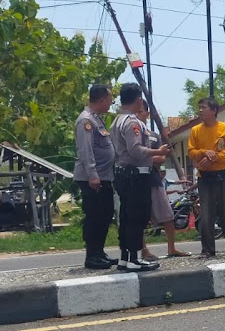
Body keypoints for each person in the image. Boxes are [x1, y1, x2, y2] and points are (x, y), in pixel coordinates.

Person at [110, 83, 169, 271]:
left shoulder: (117, 120)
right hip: (135, 176)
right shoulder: (132, 122)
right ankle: (134, 258)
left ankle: (125, 257)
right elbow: (135, 150)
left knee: (127, 217)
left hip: (123, 174)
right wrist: (157, 151)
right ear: (138, 100)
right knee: (137, 217)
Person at [132, 98, 191, 260]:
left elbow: (162, 158)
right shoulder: (132, 133)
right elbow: (135, 157)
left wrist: (151, 159)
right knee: (140, 217)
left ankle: (171, 248)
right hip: (136, 179)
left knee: (167, 214)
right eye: (135, 112)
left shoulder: (153, 136)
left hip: (153, 178)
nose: (137, 115)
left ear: (147, 114)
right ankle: (144, 250)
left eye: (140, 111)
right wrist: (153, 158)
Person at [188, 97, 225, 257]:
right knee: (206, 214)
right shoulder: (195, 130)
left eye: (203, 107)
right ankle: (207, 250)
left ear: (213, 111)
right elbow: (191, 151)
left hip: (224, 175)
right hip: (204, 177)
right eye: (199, 108)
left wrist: (213, 157)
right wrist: (204, 152)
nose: (200, 111)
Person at [73, 84, 118, 270]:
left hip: (104, 177)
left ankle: (99, 252)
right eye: (109, 99)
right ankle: (92, 256)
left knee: (105, 215)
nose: (111, 103)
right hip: (93, 178)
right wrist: (93, 175)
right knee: (95, 216)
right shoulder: (86, 121)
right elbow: (86, 151)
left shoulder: (97, 119)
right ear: (101, 99)